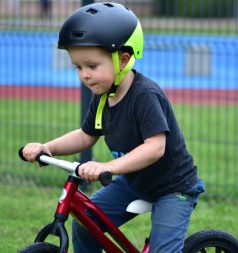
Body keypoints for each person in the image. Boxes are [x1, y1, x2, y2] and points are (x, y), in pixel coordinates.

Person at [22, 2, 205, 252]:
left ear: (123, 59)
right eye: (79, 67)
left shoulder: (145, 96)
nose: (84, 75)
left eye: (92, 66)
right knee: (86, 223)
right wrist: (48, 147)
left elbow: (155, 148)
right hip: (134, 182)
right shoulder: (103, 95)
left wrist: (107, 166)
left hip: (173, 188)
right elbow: (86, 136)